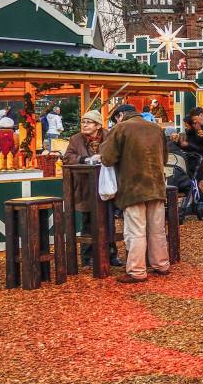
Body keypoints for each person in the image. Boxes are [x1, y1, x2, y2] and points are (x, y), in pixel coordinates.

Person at [100, 103, 170, 283]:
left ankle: (137, 271)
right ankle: (161, 264)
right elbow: (165, 157)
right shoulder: (156, 128)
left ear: (120, 115)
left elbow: (107, 159)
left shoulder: (121, 128)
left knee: (135, 231)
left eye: (116, 118)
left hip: (133, 188)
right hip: (157, 185)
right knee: (158, 230)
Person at [62, 110, 122, 267]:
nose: (84, 125)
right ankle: (87, 257)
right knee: (88, 221)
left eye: (88, 122)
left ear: (98, 125)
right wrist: (85, 159)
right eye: (83, 122)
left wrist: (104, 158)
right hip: (86, 186)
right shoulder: (76, 139)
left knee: (108, 220)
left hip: (108, 185)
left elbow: (118, 154)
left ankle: (111, 255)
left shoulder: (109, 136)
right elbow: (67, 158)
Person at [164, 128, 201, 222]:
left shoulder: (160, 149)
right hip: (178, 179)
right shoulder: (179, 151)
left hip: (162, 180)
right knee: (192, 185)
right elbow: (187, 171)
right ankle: (197, 207)